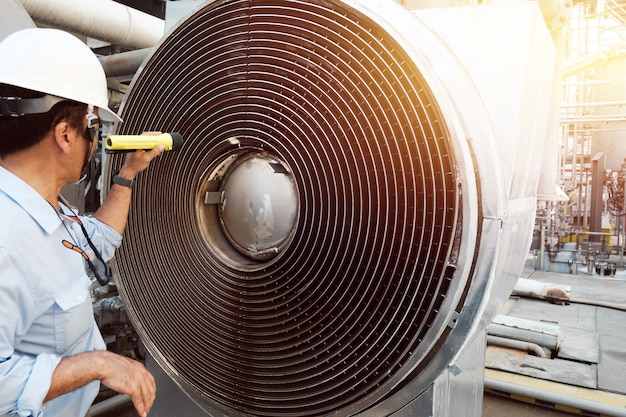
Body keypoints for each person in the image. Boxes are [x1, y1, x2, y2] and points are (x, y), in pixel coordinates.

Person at [0, 28, 160, 417]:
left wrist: (129, 174)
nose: (94, 140)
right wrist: (99, 363)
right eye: (92, 127)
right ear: (66, 134)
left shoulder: (45, 207)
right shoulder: (7, 240)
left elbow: (96, 242)